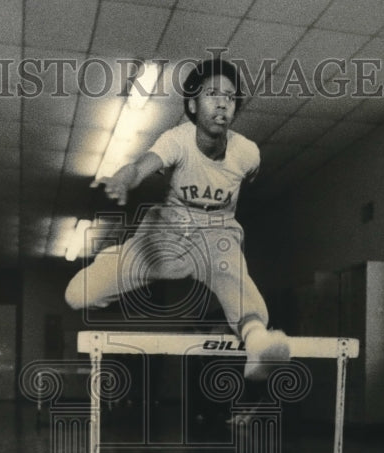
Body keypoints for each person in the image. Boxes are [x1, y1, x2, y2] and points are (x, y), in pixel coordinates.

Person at [65, 57, 290, 380]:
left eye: (229, 97)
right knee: (79, 294)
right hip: (167, 233)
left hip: (217, 235)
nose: (222, 103)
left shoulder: (248, 154)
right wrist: (125, 178)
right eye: (212, 94)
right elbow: (143, 164)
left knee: (235, 281)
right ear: (193, 106)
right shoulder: (177, 140)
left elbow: (250, 175)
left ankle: (258, 345)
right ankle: (109, 263)